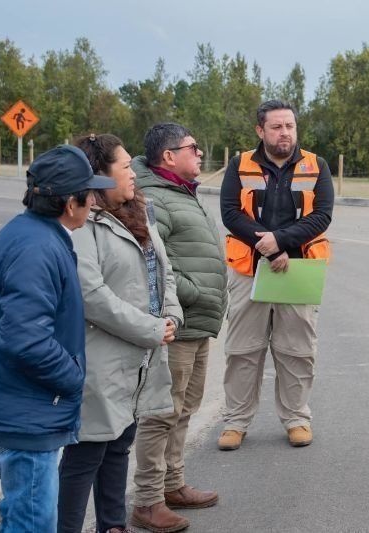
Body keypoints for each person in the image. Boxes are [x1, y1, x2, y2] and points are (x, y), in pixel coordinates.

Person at [0, 145, 115, 532]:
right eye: (90, 193)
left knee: (26, 516)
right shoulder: (36, 248)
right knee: (32, 523)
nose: (95, 200)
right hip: (27, 416)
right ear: (71, 203)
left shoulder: (34, 234)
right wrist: (73, 377)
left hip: (23, 408)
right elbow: (25, 340)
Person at [56, 134, 183, 533]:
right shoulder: (83, 225)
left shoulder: (140, 214)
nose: (134, 173)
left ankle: (112, 525)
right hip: (102, 357)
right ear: (99, 176)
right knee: (86, 455)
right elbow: (92, 294)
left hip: (139, 358)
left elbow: (164, 273)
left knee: (118, 448)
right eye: (125, 166)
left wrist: (172, 316)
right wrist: (151, 329)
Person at [217, 99, 333, 451]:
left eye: (290, 126)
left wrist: (281, 242)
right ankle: (235, 423)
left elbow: (322, 216)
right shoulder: (240, 164)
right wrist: (266, 246)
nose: (285, 133)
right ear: (260, 130)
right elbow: (230, 213)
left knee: (297, 350)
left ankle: (297, 419)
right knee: (242, 350)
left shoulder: (317, 165)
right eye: (277, 127)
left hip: (298, 270)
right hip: (249, 270)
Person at [130, 123, 227, 532]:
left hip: (196, 324)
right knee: (161, 413)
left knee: (184, 409)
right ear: (169, 156)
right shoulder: (154, 198)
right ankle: (148, 500)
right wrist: (197, 294)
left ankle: (173, 484)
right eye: (194, 147)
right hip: (179, 322)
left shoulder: (178, 192)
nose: (201, 154)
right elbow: (153, 261)